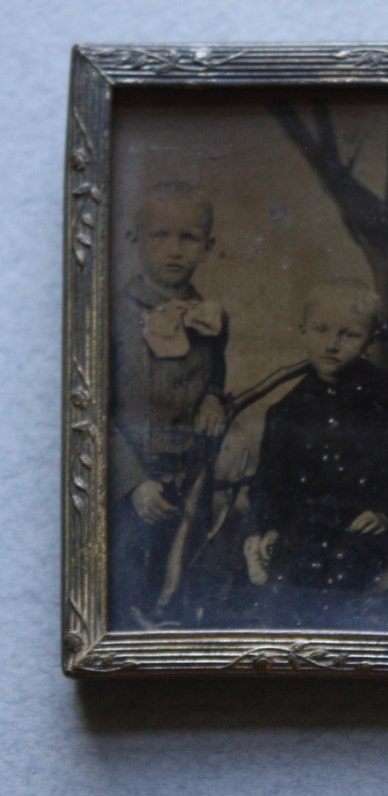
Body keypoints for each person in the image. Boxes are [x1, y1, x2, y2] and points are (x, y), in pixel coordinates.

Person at [246, 280, 388, 629]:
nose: (332, 344)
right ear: (303, 331)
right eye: (321, 330)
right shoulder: (286, 410)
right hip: (306, 530)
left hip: (367, 528)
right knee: (286, 589)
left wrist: (384, 512)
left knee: (350, 580)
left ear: (369, 341)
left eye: (349, 334)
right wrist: (271, 526)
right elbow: (268, 483)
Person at [108, 182, 228, 629]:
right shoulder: (113, 312)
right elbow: (92, 409)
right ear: (134, 241)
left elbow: (217, 373)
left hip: (192, 477)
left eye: (188, 238)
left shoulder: (212, 315)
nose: (173, 250)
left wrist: (215, 396)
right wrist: (133, 482)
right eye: (160, 236)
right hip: (131, 486)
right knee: (130, 581)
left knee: (181, 574)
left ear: (207, 247)